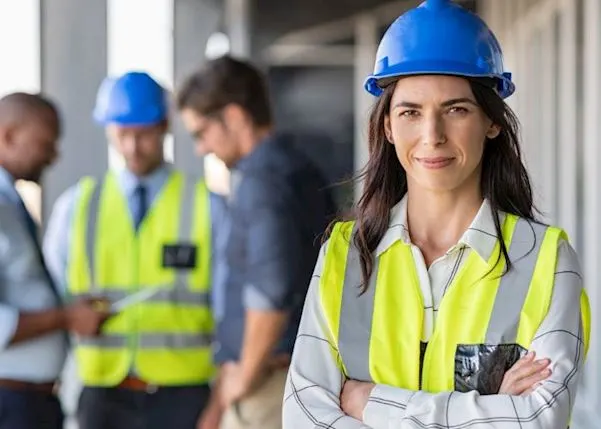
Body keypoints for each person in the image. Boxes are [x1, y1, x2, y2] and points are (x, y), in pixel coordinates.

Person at [282, 1, 591, 428]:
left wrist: (368, 401)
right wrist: (489, 409)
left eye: (456, 109)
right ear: (388, 127)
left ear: (491, 121)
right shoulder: (343, 255)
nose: (432, 135)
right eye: (410, 112)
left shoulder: (546, 261)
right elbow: (303, 418)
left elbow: (538, 420)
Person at [43, 72, 227, 429]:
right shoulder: (77, 206)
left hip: (183, 393)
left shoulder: (207, 205)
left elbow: (230, 309)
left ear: (164, 127)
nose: (131, 147)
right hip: (102, 394)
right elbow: (53, 299)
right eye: (121, 134)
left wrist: (220, 400)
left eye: (142, 134)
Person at [176, 56, 337, 429]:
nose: (201, 148)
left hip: (269, 383)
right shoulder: (295, 166)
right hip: (290, 374)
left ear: (233, 117)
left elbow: (271, 289)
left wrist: (244, 376)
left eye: (201, 133)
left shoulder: (264, 180)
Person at [0, 92, 109, 429]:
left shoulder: (10, 200)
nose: (53, 155)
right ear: (9, 135)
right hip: (11, 404)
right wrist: (66, 317)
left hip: (32, 402)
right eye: (45, 143)